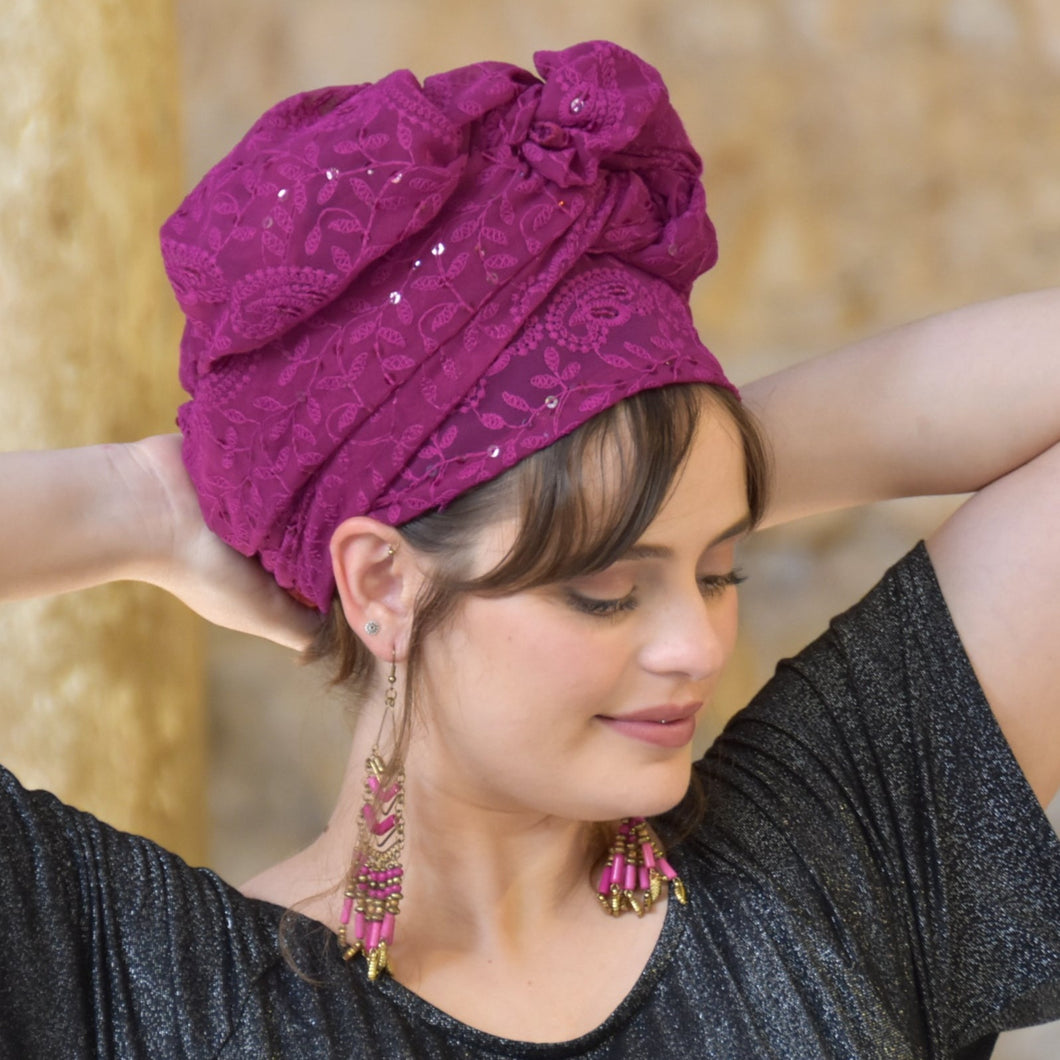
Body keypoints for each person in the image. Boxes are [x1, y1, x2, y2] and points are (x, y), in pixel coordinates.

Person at [2, 39, 1059, 1058]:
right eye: (606, 586)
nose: (696, 645)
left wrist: (664, 456)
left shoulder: (824, 858)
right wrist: (133, 501)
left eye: (715, 570)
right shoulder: (134, 987)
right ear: (381, 585)